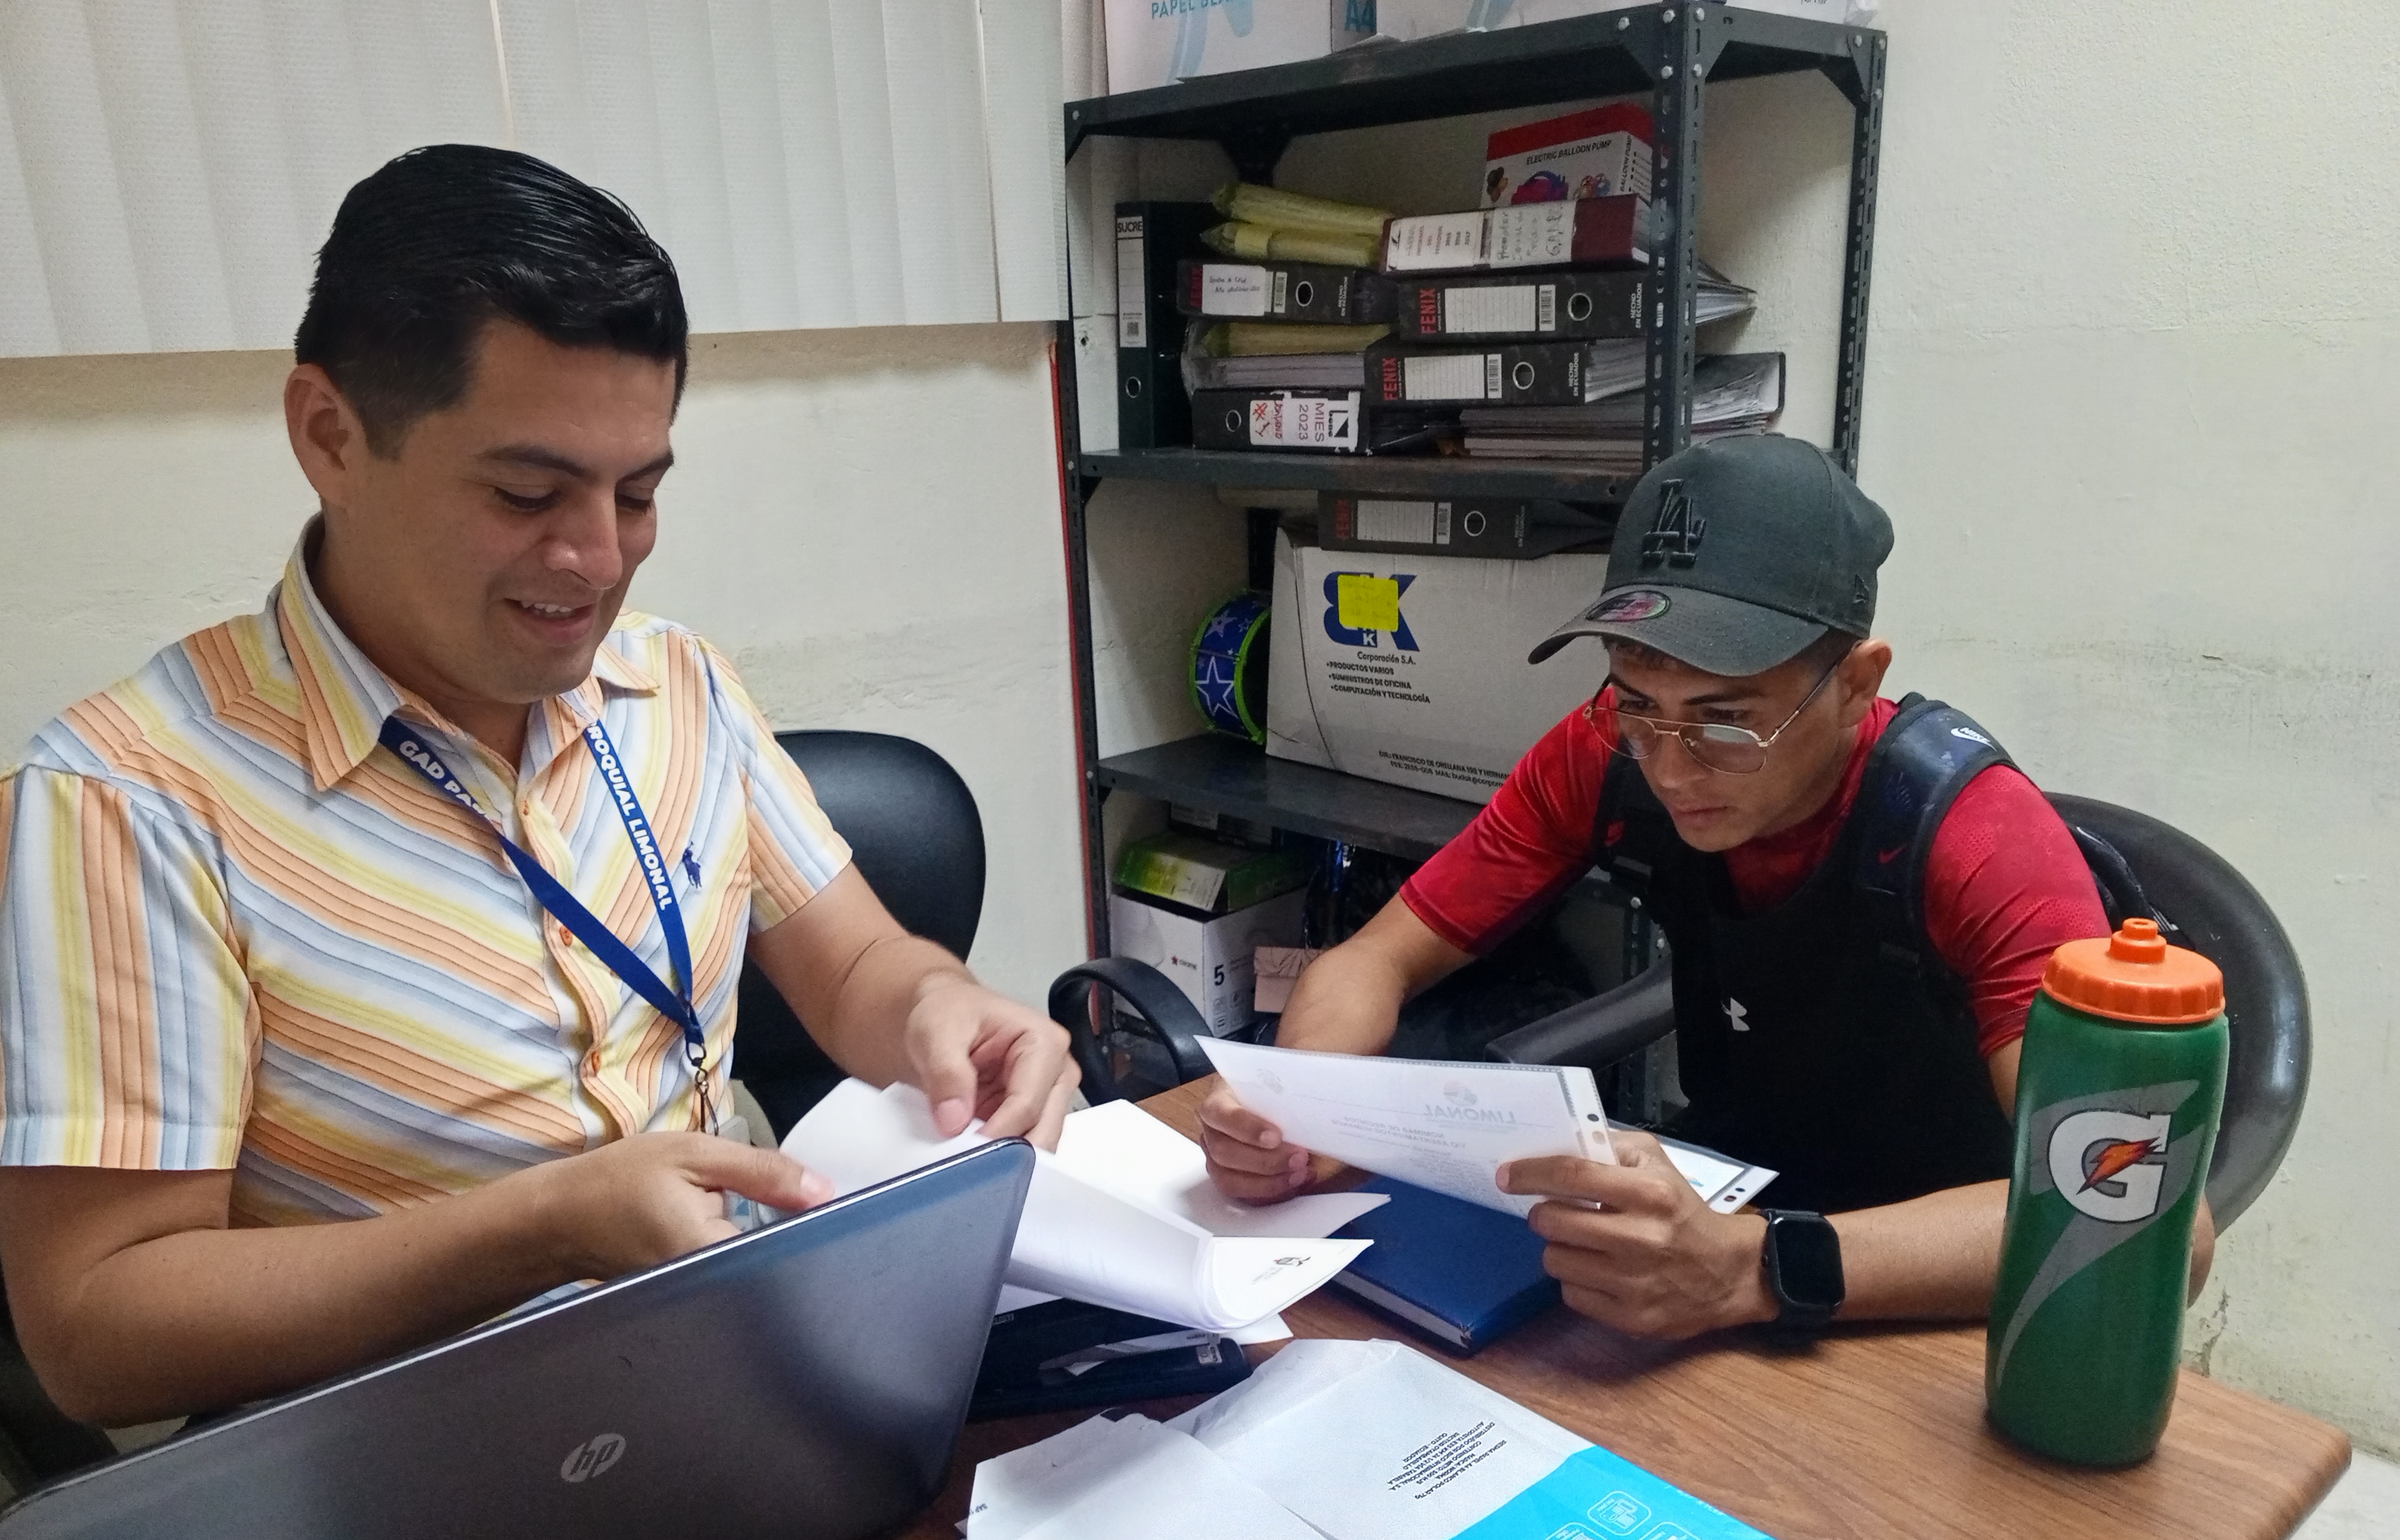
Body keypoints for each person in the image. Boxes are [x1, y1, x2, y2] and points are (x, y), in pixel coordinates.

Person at [0, 146, 1075, 1427]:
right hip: (409, 1462)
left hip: (746, 1368)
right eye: (527, 493)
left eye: (639, 494)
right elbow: (97, 1329)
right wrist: (540, 1230)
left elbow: (855, 971)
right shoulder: (130, 801)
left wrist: (946, 1009)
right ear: (330, 436)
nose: (598, 559)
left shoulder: (676, 684)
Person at [1202, 435, 2215, 1339]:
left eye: (1728, 721)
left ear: (1856, 683)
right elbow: (1374, 960)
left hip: (1934, 1288)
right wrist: (1298, 1117)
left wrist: (1755, 1268)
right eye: (1639, 705)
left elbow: (2153, 1221)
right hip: (1724, 1220)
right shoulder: (1607, 754)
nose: (1673, 767)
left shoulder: (1977, 838)